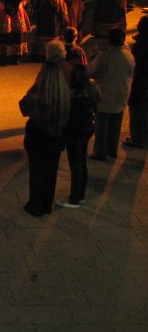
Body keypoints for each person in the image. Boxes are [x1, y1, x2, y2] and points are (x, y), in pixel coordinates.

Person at [20, 41, 70, 217]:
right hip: (57, 134)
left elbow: (25, 106)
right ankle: (47, 204)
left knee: (37, 172)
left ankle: (36, 204)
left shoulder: (41, 86)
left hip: (38, 134)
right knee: (51, 172)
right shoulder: (64, 88)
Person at [89, 27, 135, 160]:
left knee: (102, 126)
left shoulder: (106, 55)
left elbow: (91, 71)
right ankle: (112, 150)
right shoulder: (129, 55)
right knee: (115, 124)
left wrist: (93, 57)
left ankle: (100, 152)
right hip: (122, 93)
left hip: (106, 94)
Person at [58, 64, 99, 209]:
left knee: (75, 164)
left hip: (75, 132)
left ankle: (74, 198)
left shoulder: (73, 96)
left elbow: (67, 115)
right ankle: (80, 195)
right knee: (81, 161)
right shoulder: (91, 92)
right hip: (87, 129)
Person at [126, 16, 148, 149]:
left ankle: (137, 138)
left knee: (137, 111)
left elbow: (134, 64)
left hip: (140, 83)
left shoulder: (139, 46)